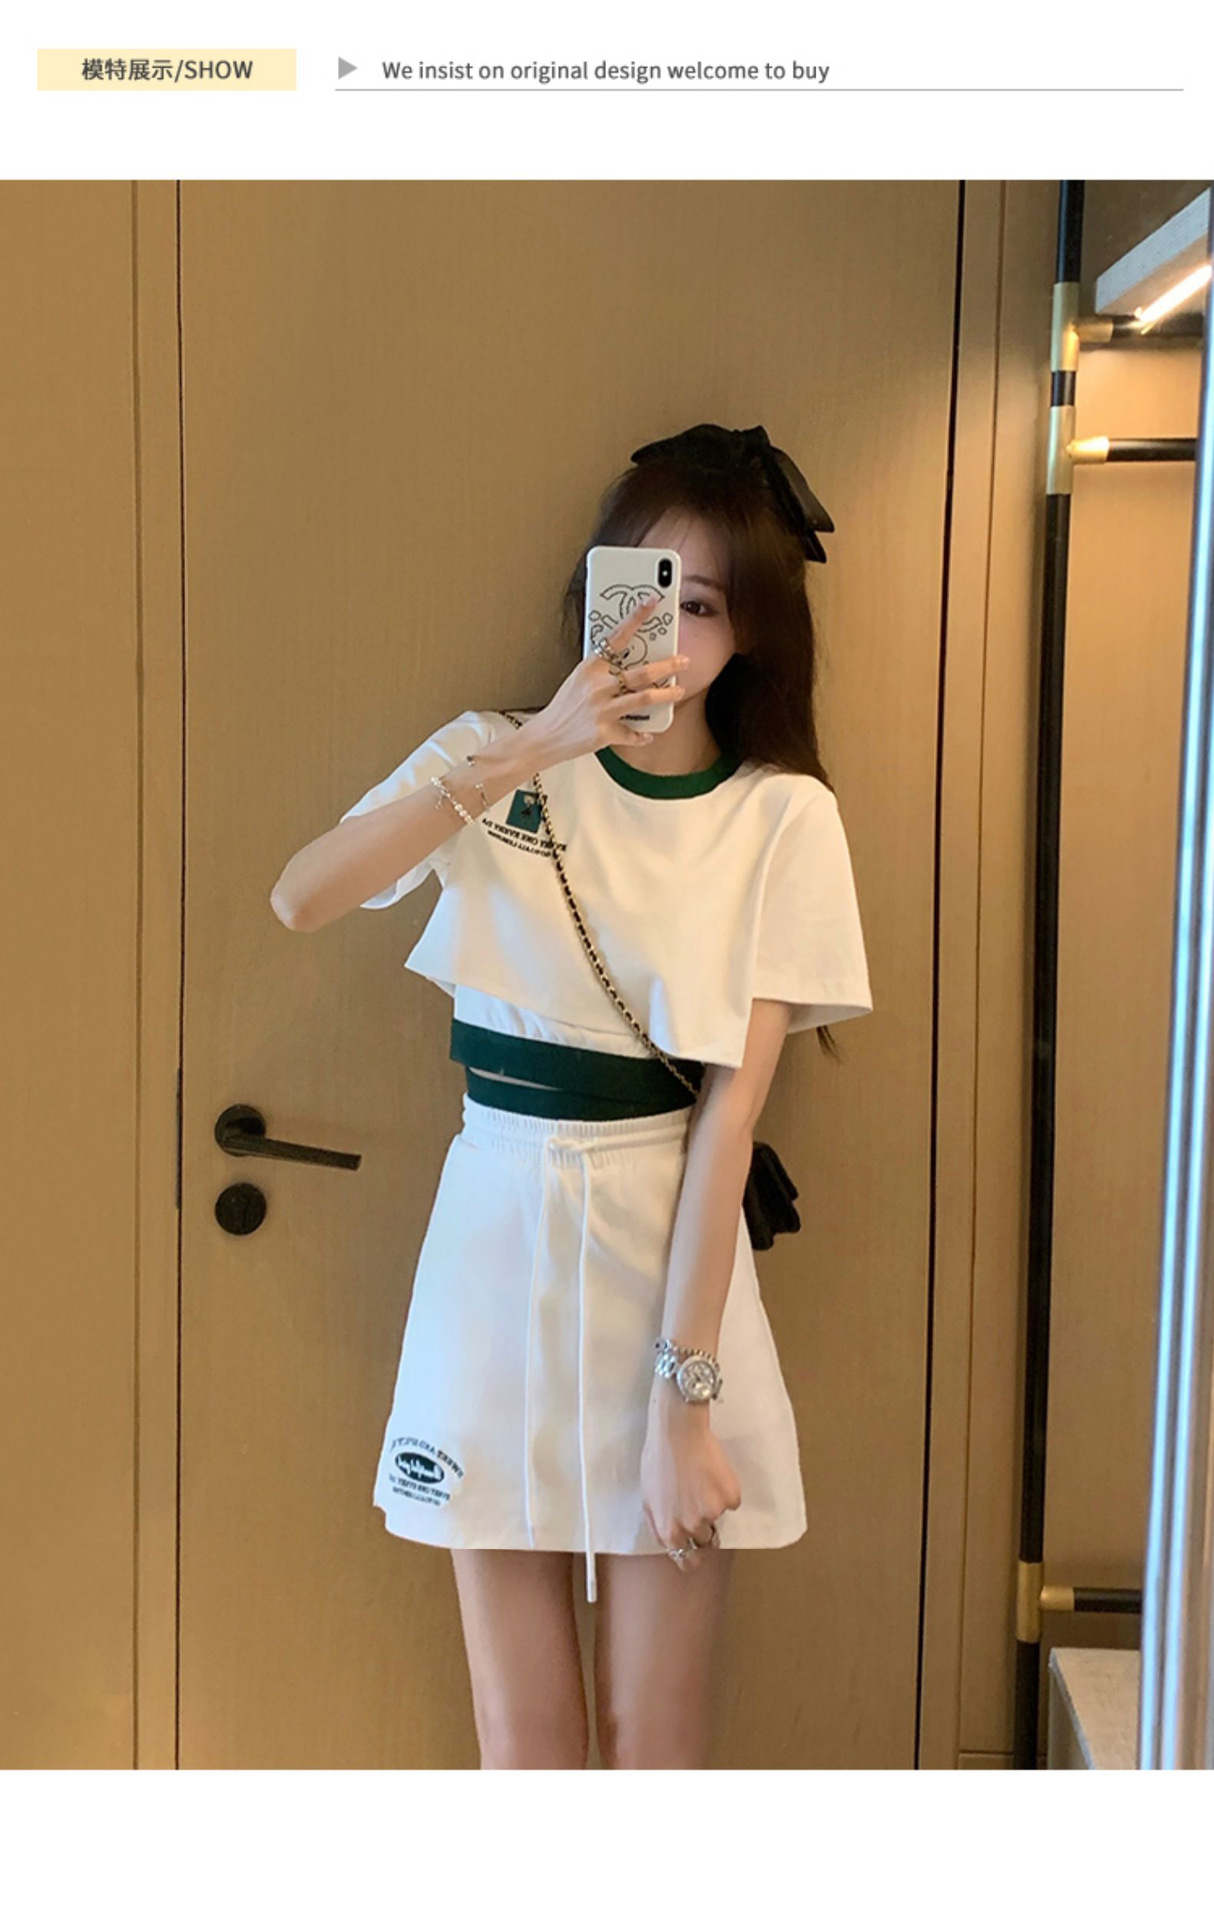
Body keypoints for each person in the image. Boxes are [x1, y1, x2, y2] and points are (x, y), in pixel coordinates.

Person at [271, 423, 873, 1768]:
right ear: (596, 589)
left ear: (751, 633)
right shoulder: (486, 756)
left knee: (653, 1740)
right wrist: (531, 746)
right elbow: (304, 895)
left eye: (704, 604)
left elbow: (729, 1123)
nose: (666, 632)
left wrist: (684, 1407)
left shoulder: (782, 816)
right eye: (644, 589)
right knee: (524, 1740)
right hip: (493, 1241)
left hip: (670, 1261)